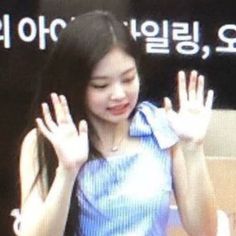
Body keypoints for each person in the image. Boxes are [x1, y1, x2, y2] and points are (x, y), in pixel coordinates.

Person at [19, 10, 217, 236]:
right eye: (101, 85)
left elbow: (205, 231)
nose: (119, 94)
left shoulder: (159, 129)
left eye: (128, 78)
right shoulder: (43, 142)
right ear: (76, 84)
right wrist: (67, 171)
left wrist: (193, 148)